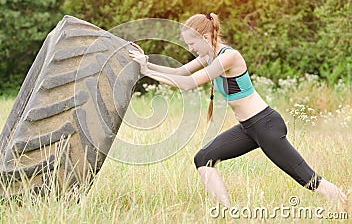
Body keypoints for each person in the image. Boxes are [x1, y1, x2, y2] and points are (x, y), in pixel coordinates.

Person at [129, 13, 347, 208]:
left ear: (205, 38)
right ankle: (226, 213)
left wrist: (145, 70)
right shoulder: (208, 57)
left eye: (191, 44)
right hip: (248, 129)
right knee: (203, 158)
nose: (190, 49)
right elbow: (180, 72)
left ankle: (345, 203)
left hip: (265, 125)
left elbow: (187, 84)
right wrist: (145, 62)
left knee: (308, 179)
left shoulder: (228, 57)